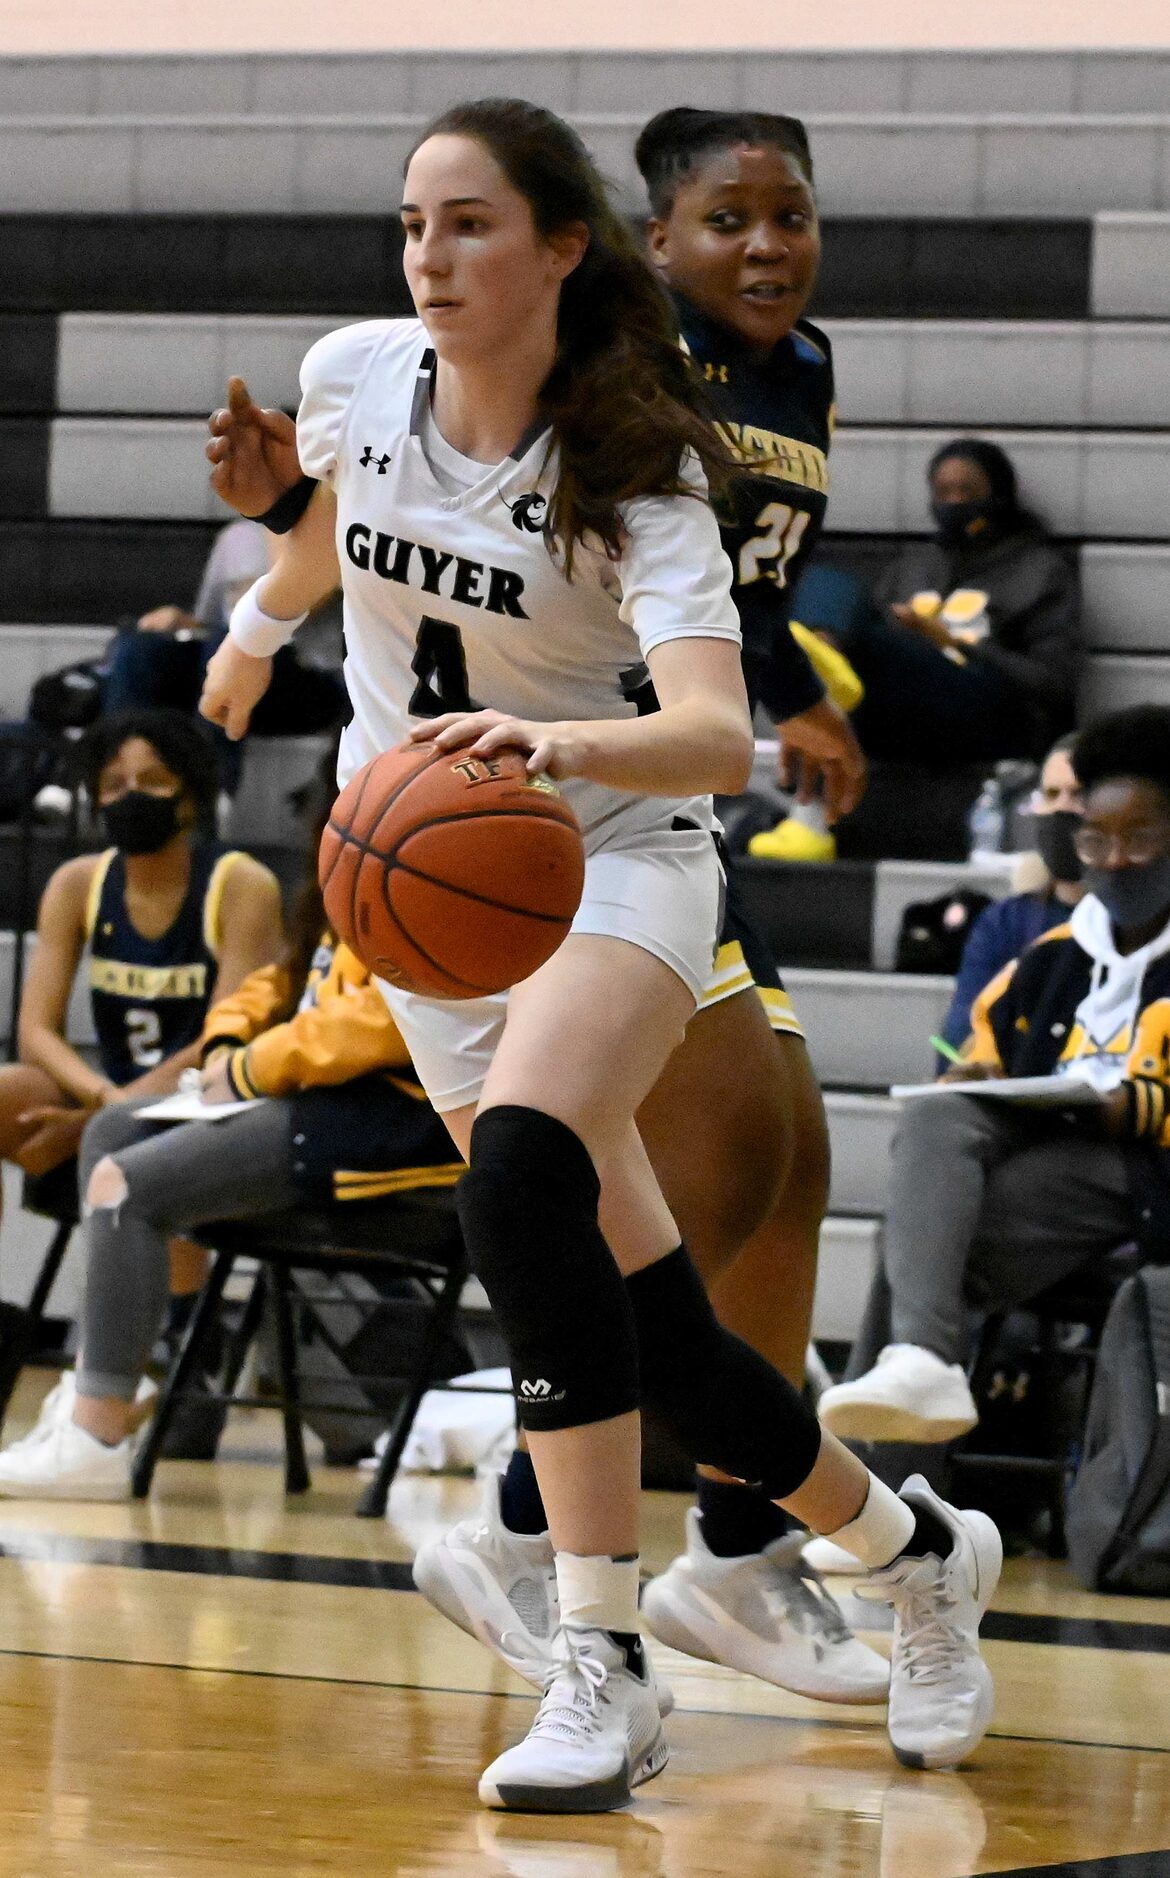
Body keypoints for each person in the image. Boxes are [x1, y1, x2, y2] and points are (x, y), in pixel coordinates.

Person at [198, 98, 1000, 1808]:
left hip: (609, 855)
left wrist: (553, 747)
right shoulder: (361, 368)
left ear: (568, 248)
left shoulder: (641, 469)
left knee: (520, 1180)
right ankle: (919, 1548)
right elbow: (333, 514)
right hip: (411, 876)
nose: (433, 257)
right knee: (659, 1320)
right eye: (416, 224)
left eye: (473, 224)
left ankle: (601, 1657)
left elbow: (717, 739)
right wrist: (259, 633)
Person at [0, 794, 462, 1498]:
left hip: (397, 1123)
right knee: (116, 1130)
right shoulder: (339, 900)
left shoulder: (437, 892)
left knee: (127, 1182)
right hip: (314, 1105)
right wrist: (227, 1045)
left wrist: (249, 1067)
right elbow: (272, 988)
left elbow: (381, 1023)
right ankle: (130, 1371)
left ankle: (98, 1433)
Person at [818, 704, 1170, 1449]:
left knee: (920, 1250)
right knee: (935, 1122)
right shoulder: (1050, 956)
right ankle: (919, 1371)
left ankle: (888, 1506)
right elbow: (985, 1051)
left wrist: (1125, 1106)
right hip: (1053, 1149)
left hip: (1144, 1171)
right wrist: (975, 1074)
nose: (1114, 858)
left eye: (1140, 839)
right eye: (1096, 839)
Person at [0, 707, 283, 1218]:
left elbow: (223, 1040)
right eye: (113, 784)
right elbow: (35, 1033)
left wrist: (113, 1116)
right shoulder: (77, 883)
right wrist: (105, 1099)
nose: (130, 795)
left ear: (190, 798)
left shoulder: (240, 884)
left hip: (207, 1098)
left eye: (153, 781)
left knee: (147, 1153)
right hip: (106, 1091)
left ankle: (179, 1300)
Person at [789, 439, 1080, 769]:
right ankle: (820, 666)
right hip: (899, 704)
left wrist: (952, 642)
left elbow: (1055, 685)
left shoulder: (1041, 570)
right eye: (943, 492)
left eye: (967, 492)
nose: (954, 502)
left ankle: (812, 683)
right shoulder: (915, 565)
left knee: (882, 647)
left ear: (999, 495)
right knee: (826, 582)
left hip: (985, 708)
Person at [104, 517, 345, 793]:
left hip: (308, 675)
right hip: (225, 661)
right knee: (140, 649)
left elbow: (300, 604)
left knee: (226, 642)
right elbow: (206, 623)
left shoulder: (330, 527)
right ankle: (115, 779)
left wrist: (279, 525)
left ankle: (210, 792)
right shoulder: (235, 537)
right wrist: (179, 620)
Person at [939, 733, 1085, 1054]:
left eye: (1078, 794)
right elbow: (957, 1042)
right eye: (1051, 794)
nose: (1062, 808)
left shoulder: (1137, 923)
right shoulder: (1006, 921)